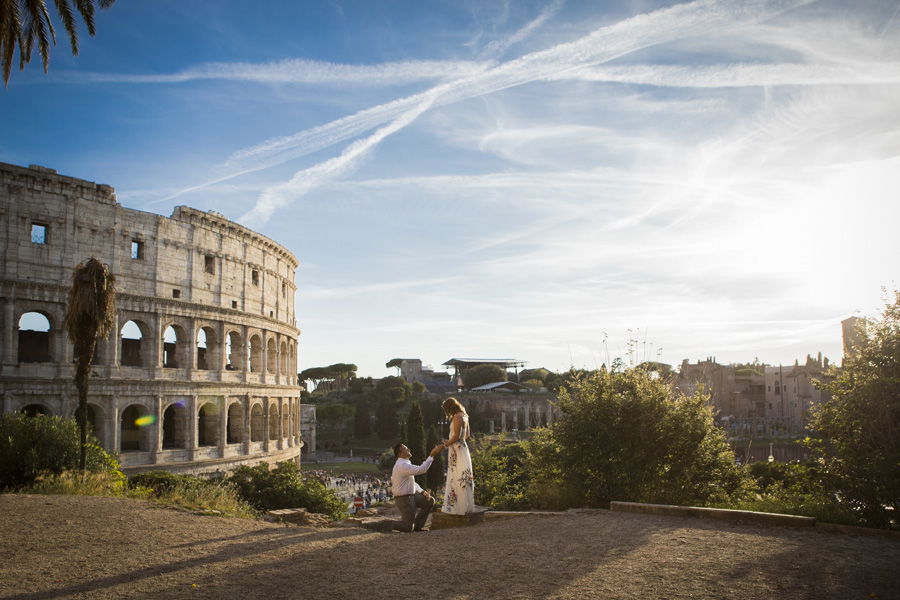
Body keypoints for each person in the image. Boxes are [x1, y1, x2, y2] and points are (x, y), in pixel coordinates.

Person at [391, 442, 444, 532]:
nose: (409, 449)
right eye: (406, 449)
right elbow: (421, 469)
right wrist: (432, 454)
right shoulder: (402, 465)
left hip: (411, 496)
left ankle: (418, 526)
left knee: (429, 501)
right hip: (404, 499)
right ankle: (387, 524)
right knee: (407, 528)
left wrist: (422, 491)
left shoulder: (405, 463)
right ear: (400, 453)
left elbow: (412, 483)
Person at [440, 397, 475, 515]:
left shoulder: (456, 417)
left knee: (456, 476)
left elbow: (456, 436)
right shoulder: (464, 415)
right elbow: (467, 435)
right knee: (463, 477)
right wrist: (455, 442)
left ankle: (457, 509)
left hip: (456, 450)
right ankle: (465, 506)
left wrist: (446, 443)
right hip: (463, 449)